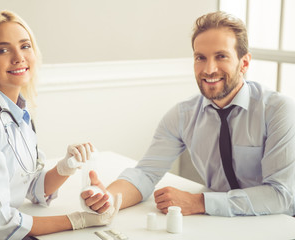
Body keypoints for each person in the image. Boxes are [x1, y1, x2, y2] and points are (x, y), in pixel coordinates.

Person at [82, 11, 295, 217]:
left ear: (244, 63)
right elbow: (145, 173)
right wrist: (109, 198)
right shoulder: (182, 115)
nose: (209, 69)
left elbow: (280, 195)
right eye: (200, 57)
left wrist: (199, 202)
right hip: (220, 223)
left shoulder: (278, 110)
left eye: (221, 56)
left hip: (280, 223)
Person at [0, 10, 121, 239]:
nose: (18, 57)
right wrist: (78, 221)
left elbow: (30, 186)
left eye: (25, 46)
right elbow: (0, 225)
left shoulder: (18, 112)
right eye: (2, 50)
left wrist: (66, 167)